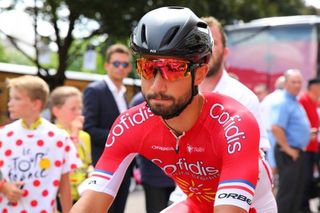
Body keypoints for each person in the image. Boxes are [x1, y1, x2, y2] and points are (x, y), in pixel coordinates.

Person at [71, 7, 277, 213]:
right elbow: (90, 205)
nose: (156, 86)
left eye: (173, 69)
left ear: (199, 74)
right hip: (196, 204)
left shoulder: (234, 123)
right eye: (147, 68)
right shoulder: (130, 125)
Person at [169, 15, 272, 203]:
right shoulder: (177, 94)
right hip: (181, 199)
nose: (204, 49)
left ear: (225, 52)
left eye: (212, 43)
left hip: (226, 201)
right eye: (197, 43)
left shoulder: (242, 98)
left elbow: (256, 159)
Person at [0, 75, 81, 212]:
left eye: (16, 98)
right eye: (11, 98)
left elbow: (64, 184)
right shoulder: (3, 134)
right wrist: (3, 186)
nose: (10, 103)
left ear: (35, 104)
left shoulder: (59, 138)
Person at [83, 43, 132, 213]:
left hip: (124, 165)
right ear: (107, 65)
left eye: (125, 64)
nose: (121, 68)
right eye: (116, 63)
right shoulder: (94, 90)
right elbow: (88, 128)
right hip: (104, 165)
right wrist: (122, 139)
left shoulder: (124, 93)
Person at [271, 69, 310, 213]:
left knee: (296, 192)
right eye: (294, 82)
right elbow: (276, 128)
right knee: (287, 193)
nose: (297, 85)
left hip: (296, 152)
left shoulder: (295, 102)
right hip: (287, 153)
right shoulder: (284, 103)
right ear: (286, 84)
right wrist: (288, 149)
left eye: (300, 82)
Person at [129, 92, 176, 213]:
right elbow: (133, 135)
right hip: (153, 173)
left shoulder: (177, 95)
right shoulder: (139, 101)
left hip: (180, 173)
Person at [49, 86, 93, 204]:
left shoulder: (84, 136)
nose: (78, 113)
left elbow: (87, 163)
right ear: (56, 111)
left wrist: (91, 171)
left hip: (82, 195)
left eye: (80, 108)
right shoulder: (52, 135)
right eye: (73, 109)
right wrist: (74, 135)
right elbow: (68, 163)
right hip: (59, 197)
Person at [298, 78, 320, 212]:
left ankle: (305, 205)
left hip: (313, 147)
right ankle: (302, 206)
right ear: (314, 87)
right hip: (305, 147)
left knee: (309, 178)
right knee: (304, 178)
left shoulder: (313, 102)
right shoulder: (303, 101)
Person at [261, 75, 285, 175]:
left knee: (270, 160)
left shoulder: (268, 98)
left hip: (266, 132)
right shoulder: (283, 98)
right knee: (275, 161)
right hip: (276, 132)